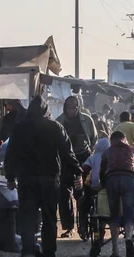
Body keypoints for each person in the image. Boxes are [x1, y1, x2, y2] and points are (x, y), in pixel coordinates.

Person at [5, 95, 83, 257]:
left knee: (27, 217)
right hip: (50, 179)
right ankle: (50, 256)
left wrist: (10, 177)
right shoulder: (55, 127)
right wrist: (78, 172)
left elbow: (11, 154)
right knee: (49, 218)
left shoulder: (20, 128)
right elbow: (67, 153)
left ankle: (26, 255)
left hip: (26, 179)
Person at [56, 96, 98, 238]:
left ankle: (84, 223)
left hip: (83, 158)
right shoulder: (59, 122)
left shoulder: (87, 120)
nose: (71, 110)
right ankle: (68, 227)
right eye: (69, 107)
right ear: (65, 108)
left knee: (84, 192)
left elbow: (93, 138)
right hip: (66, 161)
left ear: (78, 107)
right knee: (64, 194)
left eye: (74, 107)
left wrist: (90, 154)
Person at [99, 131, 134, 257]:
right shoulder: (133, 151)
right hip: (129, 179)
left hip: (111, 179)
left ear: (111, 140)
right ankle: (128, 238)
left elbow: (102, 171)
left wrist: (104, 185)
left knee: (114, 216)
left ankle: (115, 252)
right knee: (129, 216)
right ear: (124, 139)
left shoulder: (107, 152)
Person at [80, 132, 111, 240]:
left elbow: (84, 170)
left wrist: (84, 181)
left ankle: (84, 223)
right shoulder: (112, 156)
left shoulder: (92, 158)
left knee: (84, 202)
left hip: (94, 187)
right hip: (109, 188)